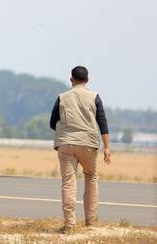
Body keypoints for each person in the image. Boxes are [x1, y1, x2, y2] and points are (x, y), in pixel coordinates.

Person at [50, 65, 111, 233]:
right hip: (89, 144)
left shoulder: (62, 97)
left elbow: (52, 122)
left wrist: (67, 133)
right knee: (91, 177)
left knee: (68, 182)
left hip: (66, 144)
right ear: (88, 80)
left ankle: (69, 224)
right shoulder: (95, 97)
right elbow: (102, 122)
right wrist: (106, 148)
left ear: (71, 80)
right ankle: (90, 221)